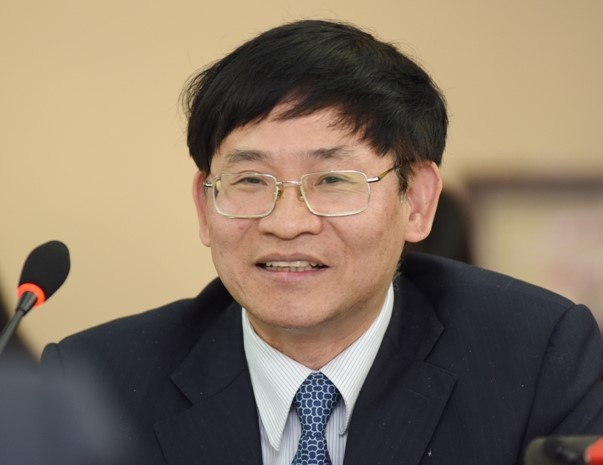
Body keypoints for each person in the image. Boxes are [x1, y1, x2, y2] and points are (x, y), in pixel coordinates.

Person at [39, 19, 603, 465]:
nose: (287, 223)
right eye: (250, 180)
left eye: (332, 180)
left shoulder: (537, 356)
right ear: (205, 206)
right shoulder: (92, 382)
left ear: (417, 201)